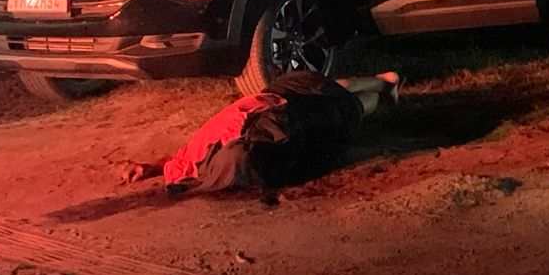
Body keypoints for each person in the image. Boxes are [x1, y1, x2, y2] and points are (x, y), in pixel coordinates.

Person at [124, 71, 401, 197]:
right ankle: (384, 82)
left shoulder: (203, 160)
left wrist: (149, 169)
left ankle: (384, 82)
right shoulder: (208, 161)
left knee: (346, 103)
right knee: (335, 96)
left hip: (278, 105)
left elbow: (175, 163)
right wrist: (150, 169)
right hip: (280, 104)